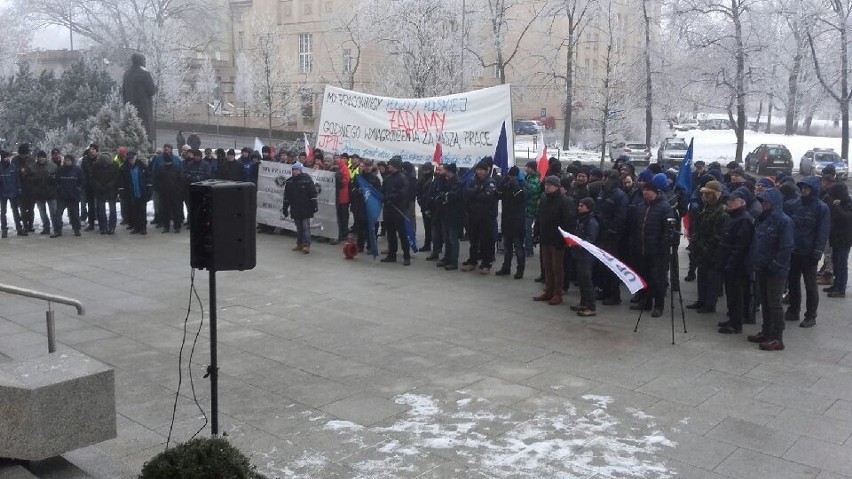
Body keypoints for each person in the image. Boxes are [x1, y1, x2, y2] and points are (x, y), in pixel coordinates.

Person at [748, 187, 795, 351]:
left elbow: (786, 247)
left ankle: (777, 337)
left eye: (767, 202)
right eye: (763, 201)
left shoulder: (784, 221)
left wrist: (775, 265)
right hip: (762, 266)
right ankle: (766, 331)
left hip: (776, 269)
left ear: (774, 203)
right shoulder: (763, 219)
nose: (764, 204)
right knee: (765, 301)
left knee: (775, 303)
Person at [785, 176, 830, 328]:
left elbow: (822, 232)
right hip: (794, 250)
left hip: (809, 252)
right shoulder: (796, 204)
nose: (804, 190)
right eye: (802, 187)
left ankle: (811, 315)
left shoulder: (821, 208)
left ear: (813, 189)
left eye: (807, 188)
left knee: (810, 285)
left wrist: (817, 252)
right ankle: (793, 309)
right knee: (792, 282)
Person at [629, 176, 675, 317]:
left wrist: (663, 245)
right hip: (642, 249)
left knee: (657, 279)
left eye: (648, 190)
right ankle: (645, 302)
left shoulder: (664, 207)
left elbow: (669, 230)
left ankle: (659, 305)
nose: (645, 193)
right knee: (644, 277)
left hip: (657, 251)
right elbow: (636, 226)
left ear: (654, 191)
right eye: (644, 190)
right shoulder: (641, 206)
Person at [717, 187, 755, 334]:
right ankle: (732, 319)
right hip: (728, 261)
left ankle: (736, 323)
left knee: (736, 295)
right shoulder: (732, 217)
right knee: (730, 294)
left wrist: (730, 263)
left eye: (733, 201)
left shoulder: (744, 219)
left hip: (737, 265)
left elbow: (740, 246)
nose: (729, 203)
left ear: (742, 202)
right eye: (729, 200)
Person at [533, 175, 575, 305]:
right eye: (546, 184)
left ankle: (558, 293)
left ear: (557, 186)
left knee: (557, 268)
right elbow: (539, 217)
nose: (547, 187)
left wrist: (563, 240)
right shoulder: (544, 199)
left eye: (550, 185)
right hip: (545, 238)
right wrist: (536, 233)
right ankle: (548, 290)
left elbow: (569, 223)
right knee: (547, 267)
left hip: (557, 241)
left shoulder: (565, 201)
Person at [688, 180, 727, 313]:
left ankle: (710, 304)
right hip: (702, 247)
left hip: (712, 250)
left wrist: (707, 247)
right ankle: (701, 300)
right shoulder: (707, 207)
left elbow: (718, 233)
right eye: (704, 194)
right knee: (702, 276)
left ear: (715, 194)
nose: (705, 196)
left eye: (708, 194)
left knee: (712, 279)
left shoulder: (721, 210)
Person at [594, 169, 628, 305]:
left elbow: (620, 217)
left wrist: (611, 230)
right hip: (600, 233)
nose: (605, 180)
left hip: (611, 236)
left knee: (611, 265)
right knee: (601, 265)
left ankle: (614, 295)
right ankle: (604, 290)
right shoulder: (602, 193)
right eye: (604, 177)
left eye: (608, 178)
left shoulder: (620, 196)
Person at [462, 160, 498, 274]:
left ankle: (486, 264)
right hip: (473, 216)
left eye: (482, 170)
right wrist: (478, 191)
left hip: (486, 217)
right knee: (473, 241)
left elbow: (487, 196)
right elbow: (467, 193)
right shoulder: (473, 181)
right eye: (478, 169)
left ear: (487, 171)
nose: (480, 172)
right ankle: (472, 261)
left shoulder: (491, 182)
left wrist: (475, 193)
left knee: (485, 241)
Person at [495, 166, 527, 279]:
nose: (511, 177)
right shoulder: (507, 184)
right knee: (507, 247)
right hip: (507, 220)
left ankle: (520, 269)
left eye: (513, 176)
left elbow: (522, 198)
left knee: (518, 248)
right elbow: (498, 194)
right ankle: (506, 267)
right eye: (510, 175)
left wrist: (515, 186)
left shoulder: (522, 184)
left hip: (518, 222)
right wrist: (503, 182)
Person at [380, 156, 412, 266]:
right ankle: (391, 255)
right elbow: (383, 190)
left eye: (390, 164)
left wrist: (390, 197)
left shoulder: (403, 178)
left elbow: (403, 193)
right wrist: (383, 197)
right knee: (390, 234)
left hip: (399, 210)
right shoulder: (388, 178)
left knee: (402, 234)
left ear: (394, 166)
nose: (388, 166)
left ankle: (406, 256)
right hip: (388, 210)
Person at [571, 197, 600, 316]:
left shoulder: (591, 222)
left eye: (581, 206)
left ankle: (591, 306)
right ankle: (583, 303)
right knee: (581, 280)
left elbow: (590, 239)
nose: (579, 208)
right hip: (579, 254)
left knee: (587, 281)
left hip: (587, 255)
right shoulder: (582, 219)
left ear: (588, 207)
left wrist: (579, 242)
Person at [282, 162, 318, 254]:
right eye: (293, 169)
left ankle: (306, 245)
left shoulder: (307, 179)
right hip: (295, 208)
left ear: (300, 170)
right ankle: (299, 243)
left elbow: (312, 193)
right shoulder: (289, 181)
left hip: (306, 208)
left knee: (305, 227)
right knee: (299, 228)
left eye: (296, 169)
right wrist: (285, 208)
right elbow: (286, 197)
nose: (295, 171)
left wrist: (314, 205)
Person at [824, 183, 851, 298]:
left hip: (845, 238)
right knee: (835, 261)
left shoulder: (848, 204)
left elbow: (846, 218)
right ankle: (836, 284)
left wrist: (837, 207)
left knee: (841, 263)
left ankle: (841, 288)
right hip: (835, 236)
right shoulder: (835, 203)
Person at [52, 154, 86, 238]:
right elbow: (56, 181)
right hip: (62, 196)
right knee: (58, 214)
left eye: (68, 160)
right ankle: (57, 230)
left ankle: (76, 229)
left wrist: (78, 189)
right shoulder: (60, 169)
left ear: (72, 161)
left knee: (74, 214)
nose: (67, 162)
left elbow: (82, 181)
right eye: (66, 160)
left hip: (73, 196)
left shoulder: (77, 170)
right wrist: (58, 188)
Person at [438, 163, 464, 270]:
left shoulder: (458, 183)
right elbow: (442, 193)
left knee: (453, 239)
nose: (446, 174)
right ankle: (447, 258)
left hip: (455, 215)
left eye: (447, 172)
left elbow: (452, 196)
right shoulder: (447, 181)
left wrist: (445, 195)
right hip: (446, 213)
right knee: (447, 238)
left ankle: (454, 261)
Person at [119, 151, 152, 235]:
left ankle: (143, 227)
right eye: (129, 158)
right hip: (131, 193)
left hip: (141, 192)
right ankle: (136, 227)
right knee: (133, 211)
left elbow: (148, 178)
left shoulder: (142, 166)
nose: (131, 160)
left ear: (136, 157)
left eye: (132, 158)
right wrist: (122, 191)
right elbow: (121, 181)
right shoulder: (124, 168)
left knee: (142, 210)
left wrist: (149, 189)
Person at [27, 151, 57, 235]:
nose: (41, 159)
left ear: (45, 157)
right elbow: (28, 178)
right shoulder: (33, 167)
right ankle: (46, 227)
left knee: (53, 212)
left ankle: (56, 228)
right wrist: (34, 179)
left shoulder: (52, 166)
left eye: (43, 157)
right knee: (42, 212)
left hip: (50, 192)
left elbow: (57, 179)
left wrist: (52, 177)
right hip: (38, 193)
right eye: (39, 157)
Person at [91, 152, 120, 235]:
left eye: (106, 164)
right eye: (103, 164)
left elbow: (117, 177)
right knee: (101, 209)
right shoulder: (96, 166)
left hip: (111, 189)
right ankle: (103, 227)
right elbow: (93, 177)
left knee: (113, 209)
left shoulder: (114, 165)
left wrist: (109, 184)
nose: (105, 166)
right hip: (100, 190)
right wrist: (99, 185)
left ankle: (112, 227)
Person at [155, 154, 184, 233]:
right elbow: (157, 180)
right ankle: (167, 226)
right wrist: (160, 188)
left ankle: (176, 226)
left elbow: (181, 180)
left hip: (174, 193)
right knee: (166, 210)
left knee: (175, 210)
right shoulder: (161, 169)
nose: (168, 163)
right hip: (165, 193)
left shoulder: (176, 168)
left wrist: (178, 189)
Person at [0, 150, 25, 237]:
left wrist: (19, 189)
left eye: (8, 157)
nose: (7, 158)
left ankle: (19, 228)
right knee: (3, 212)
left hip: (13, 192)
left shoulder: (13, 167)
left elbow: (17, 179)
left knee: (15, 211)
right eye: (5, 157)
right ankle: (4, 229)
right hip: (3, 193)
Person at [13, 143, 36, 233]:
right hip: (20, 187)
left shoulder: (31, 159)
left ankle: (30, 225)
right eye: (22, 154)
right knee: (22, 208)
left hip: (30, 186)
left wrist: (27, 171)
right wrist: (20, 171)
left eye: (25, 154)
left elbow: (34, 171)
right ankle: (25, 226)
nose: (23, 156)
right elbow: (13, 171)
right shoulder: (15, 160)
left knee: (31, 208)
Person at [523, 161, 542, 257]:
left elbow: (531, 191)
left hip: (530, 207)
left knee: (528, 229)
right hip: (526, 207)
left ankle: (528, 249)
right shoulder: (528, 177)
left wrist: (523, 183)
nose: (525, 168)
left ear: (531, 168)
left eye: (527, 167)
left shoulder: (534, 179)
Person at [417, 162, 436, 252]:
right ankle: (427, 244)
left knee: (435, 228)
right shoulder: (422, 180)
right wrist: (421, 203)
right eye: (424, 170)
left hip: (433, 207)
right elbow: (419, 193)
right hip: (424, 206)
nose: (425, 172)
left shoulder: (434, 180)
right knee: (427, 228)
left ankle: (436, 246)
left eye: (427, 170)